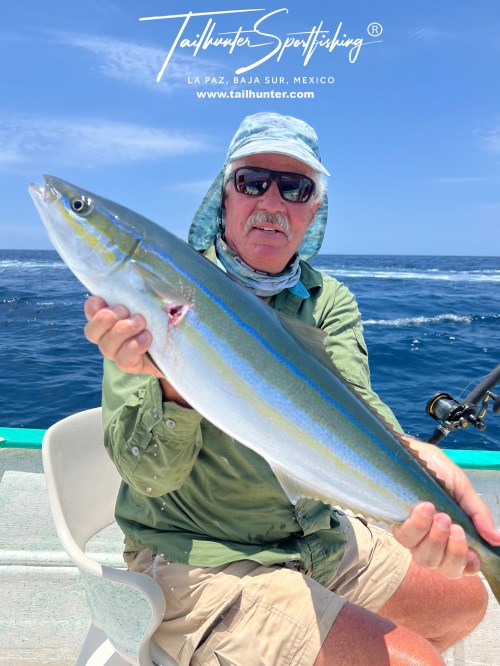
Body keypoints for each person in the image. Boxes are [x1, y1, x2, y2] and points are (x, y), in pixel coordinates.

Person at [84, 112, 498, 666]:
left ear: (314, 209)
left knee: (464, 600)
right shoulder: (155, 301)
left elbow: (357, 407)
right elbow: (148, 478)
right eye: (253, 181)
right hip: (200, 555)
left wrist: (420, 463)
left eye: (295, 188)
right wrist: (175, 380)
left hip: (316, 537)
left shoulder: (326, 301)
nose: (272, 202)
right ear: (224, 196)